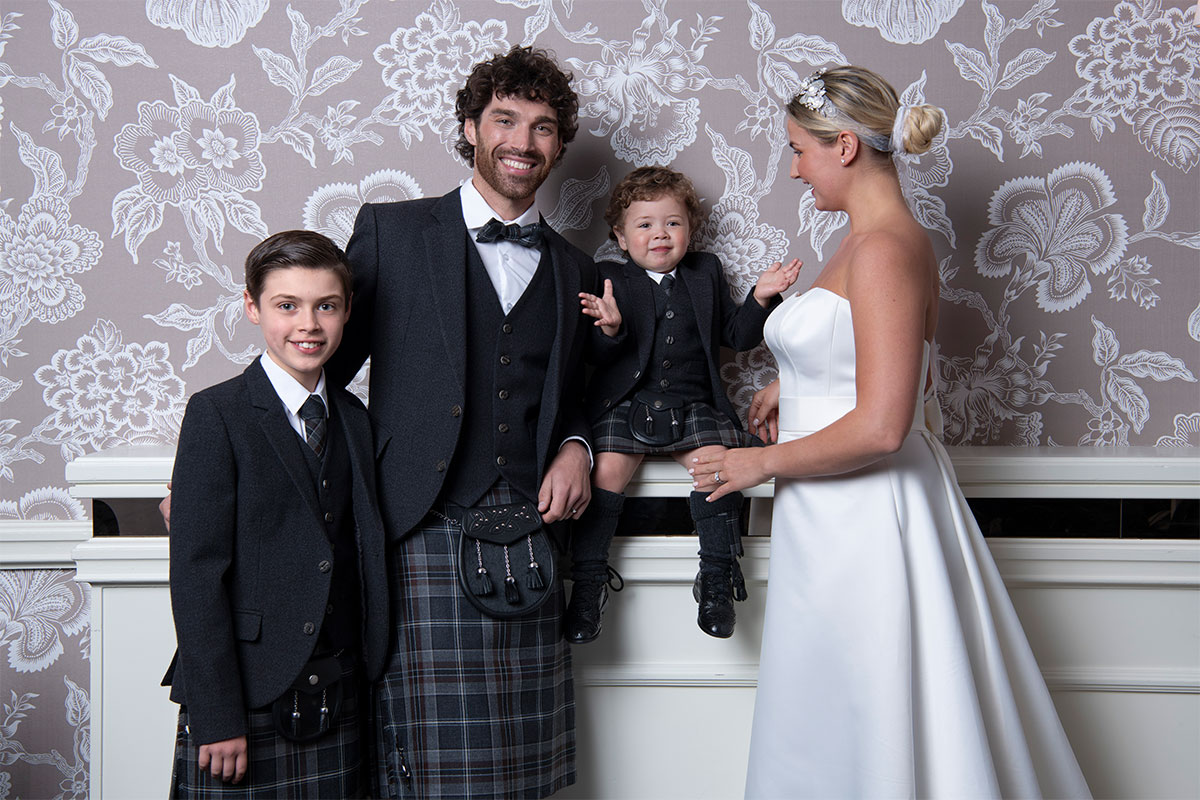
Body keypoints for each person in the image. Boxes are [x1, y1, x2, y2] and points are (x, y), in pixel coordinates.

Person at [690, 67, 1091, 798]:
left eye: (799, 150)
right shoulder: (869, 242)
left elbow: (883, 426)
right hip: (832, 514)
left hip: (867, 519)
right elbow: (883, 357)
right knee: (838, 708)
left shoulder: (881, 249)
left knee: (873, 709)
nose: (792, 168)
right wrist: (798, 381)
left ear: (844, 146)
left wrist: (759, 464)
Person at [325, 46, 596, 798]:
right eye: (505, 119)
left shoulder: (576, 269)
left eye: (543, 128)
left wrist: (576, 445)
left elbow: (574, 394)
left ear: (559, 145)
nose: (523, 142)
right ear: (471, 126)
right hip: (420, 527)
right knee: (429, 768)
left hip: (531, 542)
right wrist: (233, 463)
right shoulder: (391, 232)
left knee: (527, 769)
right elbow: (321, 375)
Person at [163, 230, 390, 798]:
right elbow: (196, 575)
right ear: (252, 308)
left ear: (346, 312)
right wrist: (218, 717)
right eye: (286, 306)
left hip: (340, 682)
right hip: (247, 690)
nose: (307, 324)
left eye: (326, 306)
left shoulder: (355, 419)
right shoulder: (217, 413)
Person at [567, 166, 799, 642]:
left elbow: (735, 337)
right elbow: (589, 356)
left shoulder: (705, 271)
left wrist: (760, 297)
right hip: (626, 403)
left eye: (672, 223)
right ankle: (587, 584)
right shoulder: (609, 277)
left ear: (690, 230)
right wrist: (609, 329)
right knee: (606, 473)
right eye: (644, 224)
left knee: (718, 471)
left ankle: (716, 578)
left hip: (694, 404)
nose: (659, 234)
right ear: (621, 234)